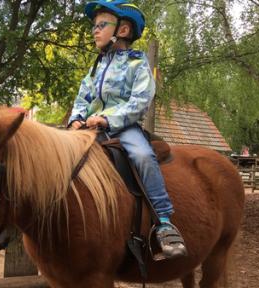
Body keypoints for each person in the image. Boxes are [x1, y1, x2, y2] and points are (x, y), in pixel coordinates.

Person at [68, 0, 187, 259]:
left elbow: (140, 100)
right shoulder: (96, 66)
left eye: (102, 25)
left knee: (143, 156)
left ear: (122, 30)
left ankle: (164, 223)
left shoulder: (137, 63)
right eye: (94, 26)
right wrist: (76, 118)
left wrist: (107, 119)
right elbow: (83, 96)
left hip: (123, 128)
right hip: (89, 128)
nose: (94, 30)